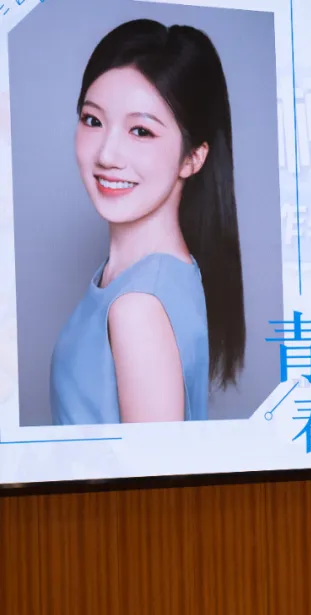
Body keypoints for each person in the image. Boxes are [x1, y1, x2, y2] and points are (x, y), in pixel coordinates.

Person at [50, 19, 246, 425]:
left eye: (140, 131)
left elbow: (152, 469)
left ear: (193, 158)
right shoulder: (150, 277)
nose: (107, 154)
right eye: (92, 120)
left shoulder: (138, 308)